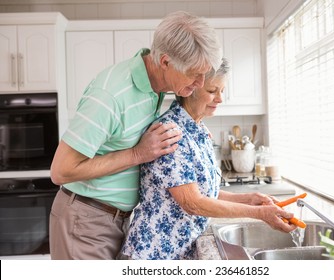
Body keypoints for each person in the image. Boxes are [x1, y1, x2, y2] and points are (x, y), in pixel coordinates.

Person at [49, 11, 223, 260]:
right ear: (165, 62)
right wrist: (138, 153)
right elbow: (61, 170)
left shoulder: (157, 87)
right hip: (85, 221)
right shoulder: (110, 94)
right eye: (195, 73)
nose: (201, 82)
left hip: (117, 221)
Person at [120, 58, 297, 260]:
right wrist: (260, 214)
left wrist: (251, 199)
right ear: (190, 89)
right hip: (154, 255)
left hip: (177, 252)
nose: (220, 98)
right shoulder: (170, 133)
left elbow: (204, 191)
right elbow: (193, 202)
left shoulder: (199, 130)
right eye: (213, 91)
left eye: (222, 91)